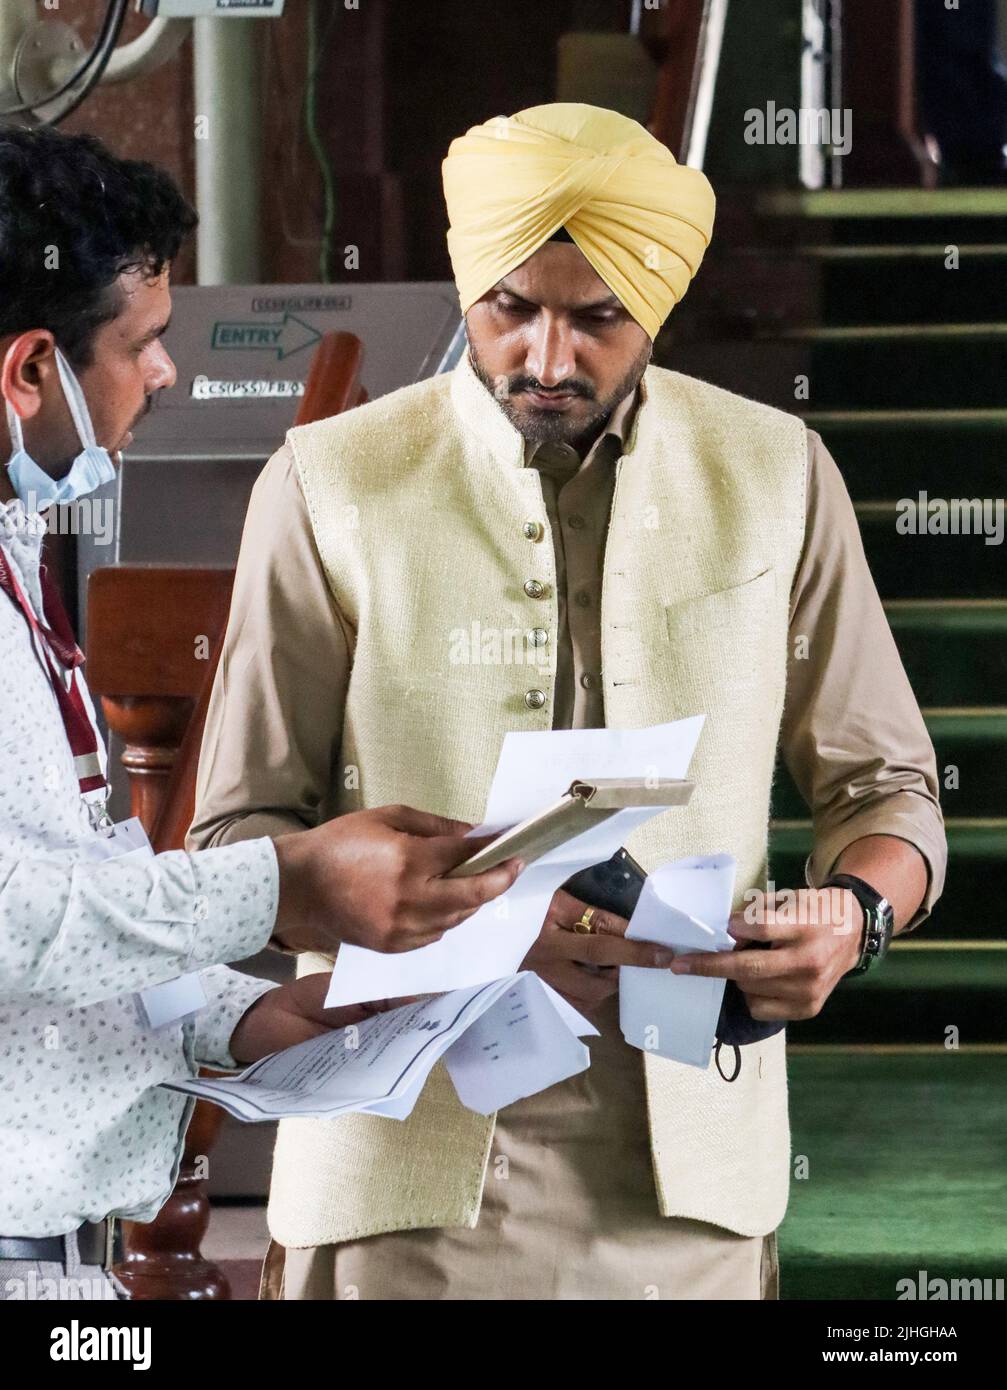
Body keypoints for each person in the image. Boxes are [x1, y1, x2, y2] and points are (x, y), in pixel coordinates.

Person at [188, 103, 947, 1301]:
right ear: (463, 285)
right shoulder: (329, 484)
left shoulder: (776, 471)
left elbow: (887, 788)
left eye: (595, 318)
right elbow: (234, 840)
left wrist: (855, 918)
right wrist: (464, 935)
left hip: (690, 1175)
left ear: (655, 305)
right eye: (507, 308)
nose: (545, 359)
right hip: (396, 1170)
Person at [0, 125, 519, 1302]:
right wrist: (284, 881)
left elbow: (80, 902)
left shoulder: (20, 556)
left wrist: (236, 1016)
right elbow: (10, 919)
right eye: (145, 345)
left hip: (63, 1265)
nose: (168, 376)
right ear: (31, 371)